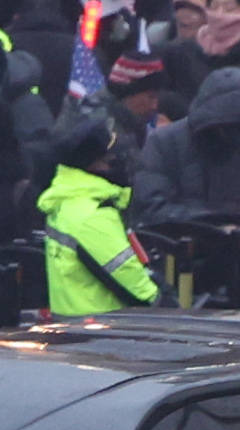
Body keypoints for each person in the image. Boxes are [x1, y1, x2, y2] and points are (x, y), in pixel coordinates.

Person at [40, 135, 165, 318]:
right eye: (109, 160)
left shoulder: (69, 201)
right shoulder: (92, 215)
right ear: (91, 166)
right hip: (105, 329)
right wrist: (164, 302)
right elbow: (129, 279)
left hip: (75, 323)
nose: (118, 164)